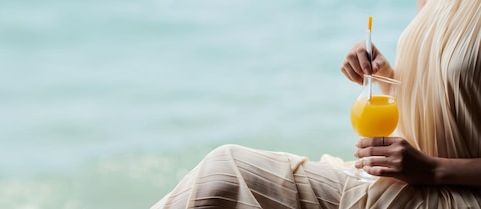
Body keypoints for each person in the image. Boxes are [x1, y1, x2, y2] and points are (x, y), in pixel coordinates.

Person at [151, 0, 481, 208]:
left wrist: (434, 170)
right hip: (403, 179)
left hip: (451, 192)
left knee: (227, 171)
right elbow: (445, 95)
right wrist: (384, 74)